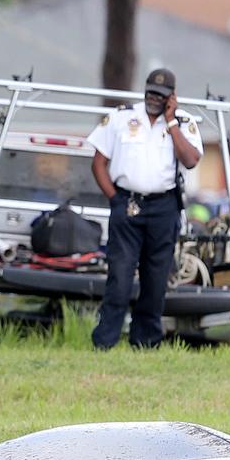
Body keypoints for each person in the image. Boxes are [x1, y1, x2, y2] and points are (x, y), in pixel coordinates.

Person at [87, 68, 203, 350]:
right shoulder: (122, 117)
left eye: (161, 96)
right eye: (151, 92)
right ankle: (106, 340)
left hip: (164, 207)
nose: (154, 99)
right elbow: (98, 164)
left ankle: (146, 340)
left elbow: (190, 160)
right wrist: (115, 199)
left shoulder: (184, 122)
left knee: (156, 276)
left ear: (171, 98)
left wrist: (171, 122)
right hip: (127, 202)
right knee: (120, 275)